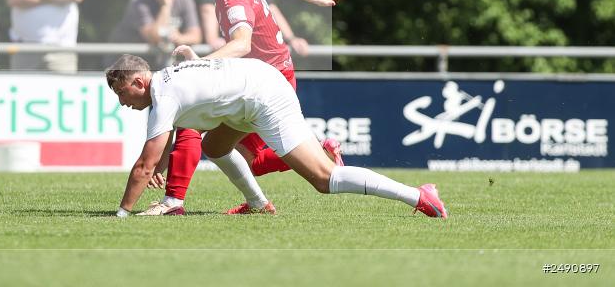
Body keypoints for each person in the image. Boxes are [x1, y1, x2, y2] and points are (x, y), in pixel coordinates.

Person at [139, 0, 341, 215]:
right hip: (270, 75)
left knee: (190, 121)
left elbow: (242, 44)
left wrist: (198, 66)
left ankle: (173, 202)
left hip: (266, 82)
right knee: (244, 159)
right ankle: (273, 191)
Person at [106, 55, 448, 218]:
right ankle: (258, 204)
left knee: (324, 179)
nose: (123, 103)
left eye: (122, 94)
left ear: (138, 83)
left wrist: (121, 215)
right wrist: (161, 164)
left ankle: (419, 195)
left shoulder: (163, 96)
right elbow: (164, 144)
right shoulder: (164, 87)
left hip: (263, 95)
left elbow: (143, 166)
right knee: (214, 144)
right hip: (252, 87)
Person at [108, 0, 201, 67]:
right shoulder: (139, 0)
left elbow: (196, 36)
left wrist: (179, 38)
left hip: (156, 64)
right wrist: (165, 5)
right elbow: (155, 38)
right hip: (125, 65)